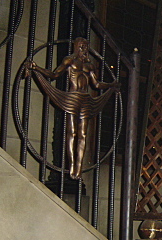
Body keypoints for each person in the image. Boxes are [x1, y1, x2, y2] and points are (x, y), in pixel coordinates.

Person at [27, 37, 120, 180]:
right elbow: (55, 74)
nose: (84, 49)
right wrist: (37, 68)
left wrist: (111, 85)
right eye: (81, 46)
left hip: (85, 99)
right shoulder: (69, 60)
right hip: (72, 98)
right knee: (72, 132)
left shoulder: (89, 64)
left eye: (86, 46)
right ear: (76, 46)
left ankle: (79, 166)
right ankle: (71, 165)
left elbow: (96, 84)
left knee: (83, 134)